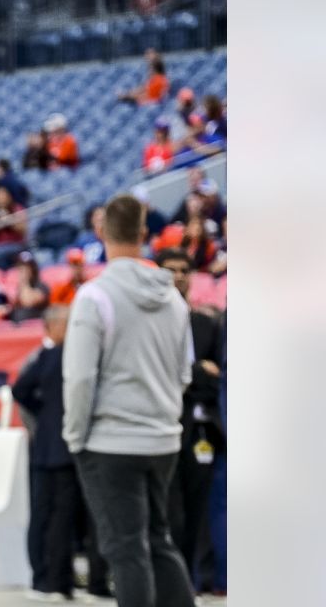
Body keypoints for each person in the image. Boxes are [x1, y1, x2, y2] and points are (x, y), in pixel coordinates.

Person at [62, 194, 195, 607]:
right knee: (158, 540)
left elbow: (80, 377)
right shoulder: (173, 297)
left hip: (110, 442)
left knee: (126, 550)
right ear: (144, 234)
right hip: (162, 439)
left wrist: (75, 436)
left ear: (100, 232)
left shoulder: (94, 296)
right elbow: (184, 371)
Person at [156, 249, 225, 591]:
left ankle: (193, 584)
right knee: (169, 513)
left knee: (198, 512)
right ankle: (169, 586)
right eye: (171, 270)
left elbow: (218, 377)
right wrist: (197, 371)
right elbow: (163, 372)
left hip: (200, 426)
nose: (179, 276)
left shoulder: (205, 323)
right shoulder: (150, 321)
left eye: (185, 270)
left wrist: (192, 377)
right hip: (160, 426)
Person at [13, 306, 82, 600]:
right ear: (54, 326)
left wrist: (42, 415)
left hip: (45, 447)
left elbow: (20, 390)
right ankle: (56, 581)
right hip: (65, 448)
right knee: (60, 516)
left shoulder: (45, 356)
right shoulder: (66, 355)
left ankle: (45, 579)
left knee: (44, 514)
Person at [9, 253, 51, 322]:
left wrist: (24, 282)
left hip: (34, 326)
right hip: (18, 327)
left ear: (33, 269)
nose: (23, 271)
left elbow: (28, 302)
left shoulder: (41, 286)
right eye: (20, 268)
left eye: (27, 268)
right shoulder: (19, 288)